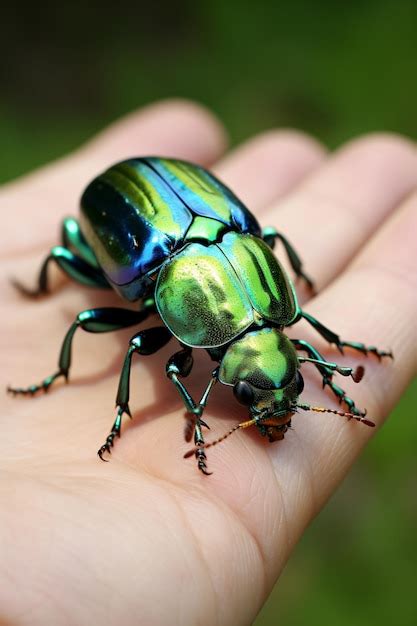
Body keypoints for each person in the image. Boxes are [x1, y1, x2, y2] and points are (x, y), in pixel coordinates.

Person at [1, 99, 416, 625]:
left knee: (275, 303)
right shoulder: (175, 280)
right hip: (129, 205)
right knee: (87, 305)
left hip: (211, 221)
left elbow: (288, 317)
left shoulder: (256, 267)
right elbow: (156, 350)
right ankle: (69, 377)